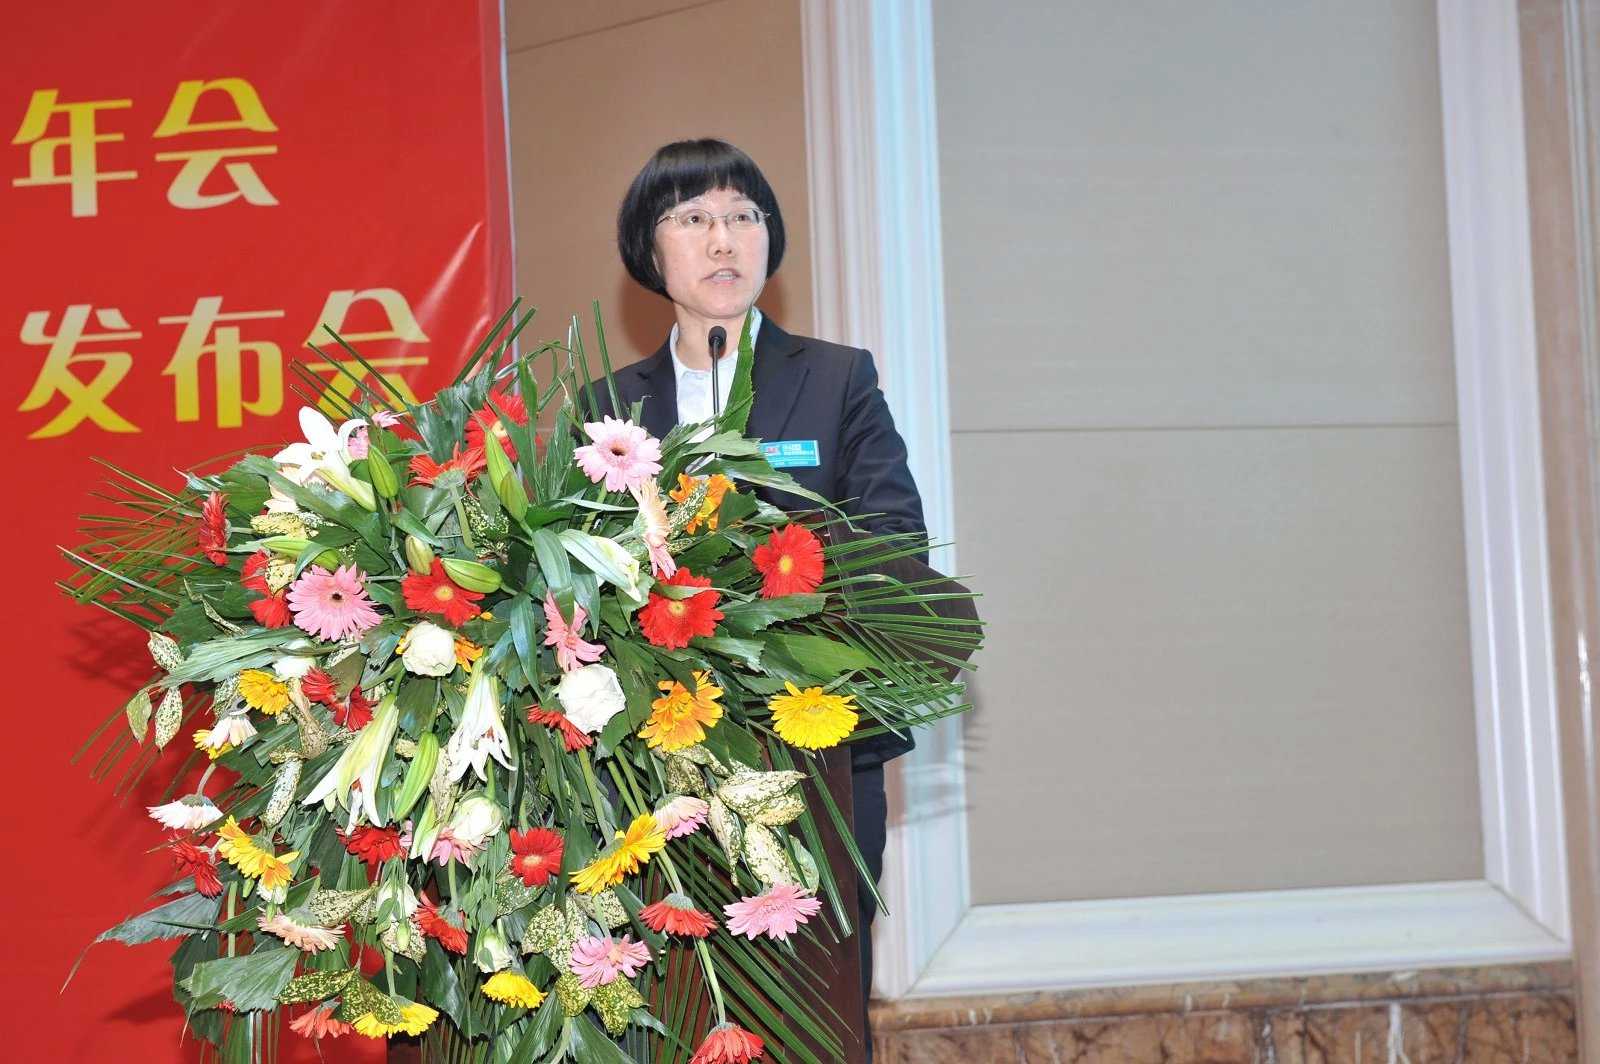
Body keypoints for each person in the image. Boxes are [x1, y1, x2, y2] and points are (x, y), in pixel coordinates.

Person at [592, 138, 927, 1053]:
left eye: (744, 217)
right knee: (680, 1011)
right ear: (650, 248)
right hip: (660, 765)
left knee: (816, 1015)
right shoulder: (612, 406)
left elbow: (892, 539)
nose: (723, 239)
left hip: (815, 745)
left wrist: (755, 574)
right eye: (694, 218)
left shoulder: (836, 378)